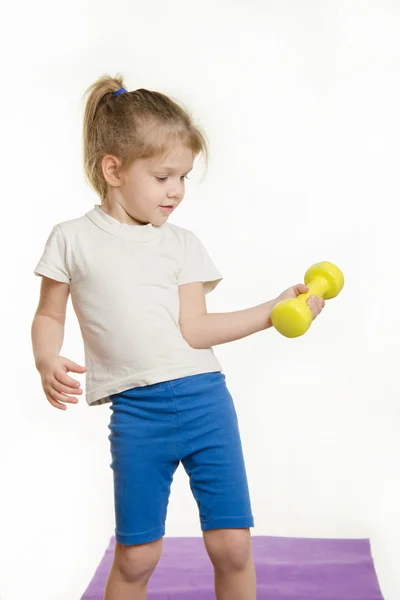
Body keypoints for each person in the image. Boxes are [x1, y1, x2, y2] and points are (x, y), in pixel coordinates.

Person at [31, 74, 325, 600]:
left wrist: (275, 310)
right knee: (137, 556)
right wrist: (45, 357)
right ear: (113, 169)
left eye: (184, 177)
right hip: (137, 414)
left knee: (232, 547)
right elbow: (49, 314)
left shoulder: (182, 244)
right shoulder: (71, 240)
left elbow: (196, 329)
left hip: (205, 401)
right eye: (164, 176)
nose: (177, 191)